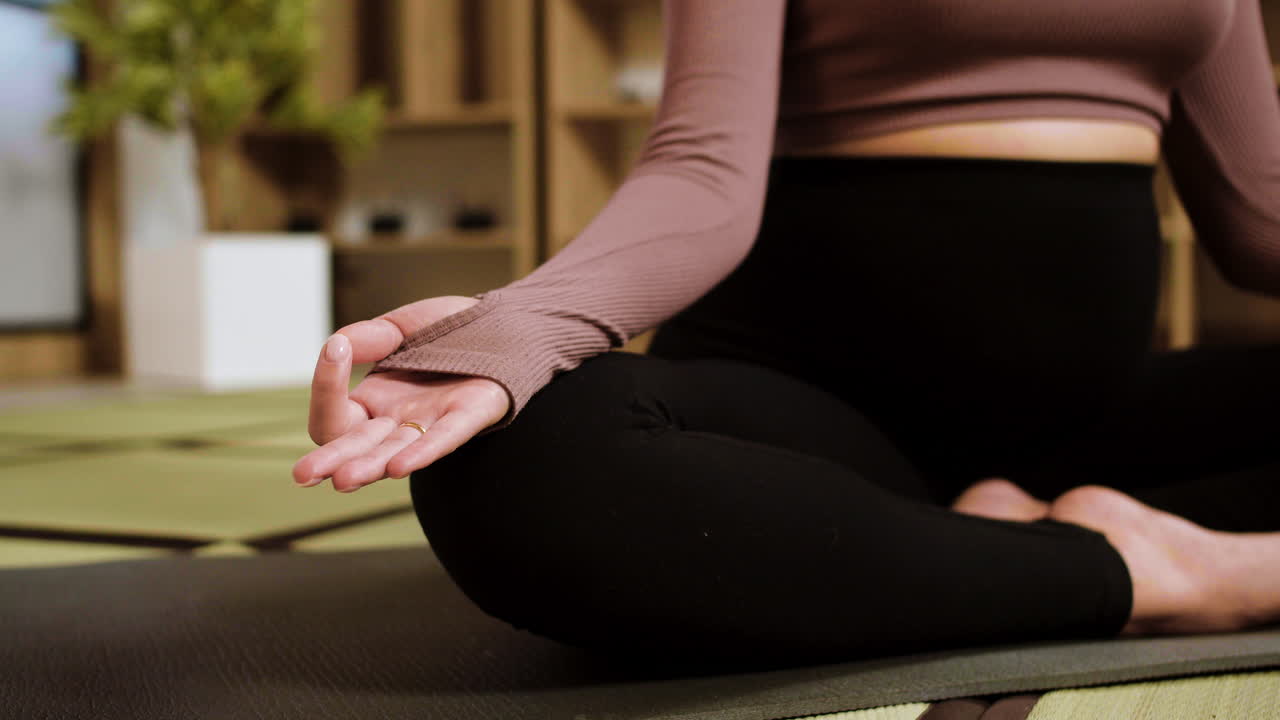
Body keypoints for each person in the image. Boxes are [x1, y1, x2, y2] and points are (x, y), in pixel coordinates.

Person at [292, 0, 1280, 666]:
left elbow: (1257, 215)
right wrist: (519, 331)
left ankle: (969, 554)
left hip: (1090, 422)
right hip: (816, 421)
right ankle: (1144, 572)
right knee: (510, 465)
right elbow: (700, 170)